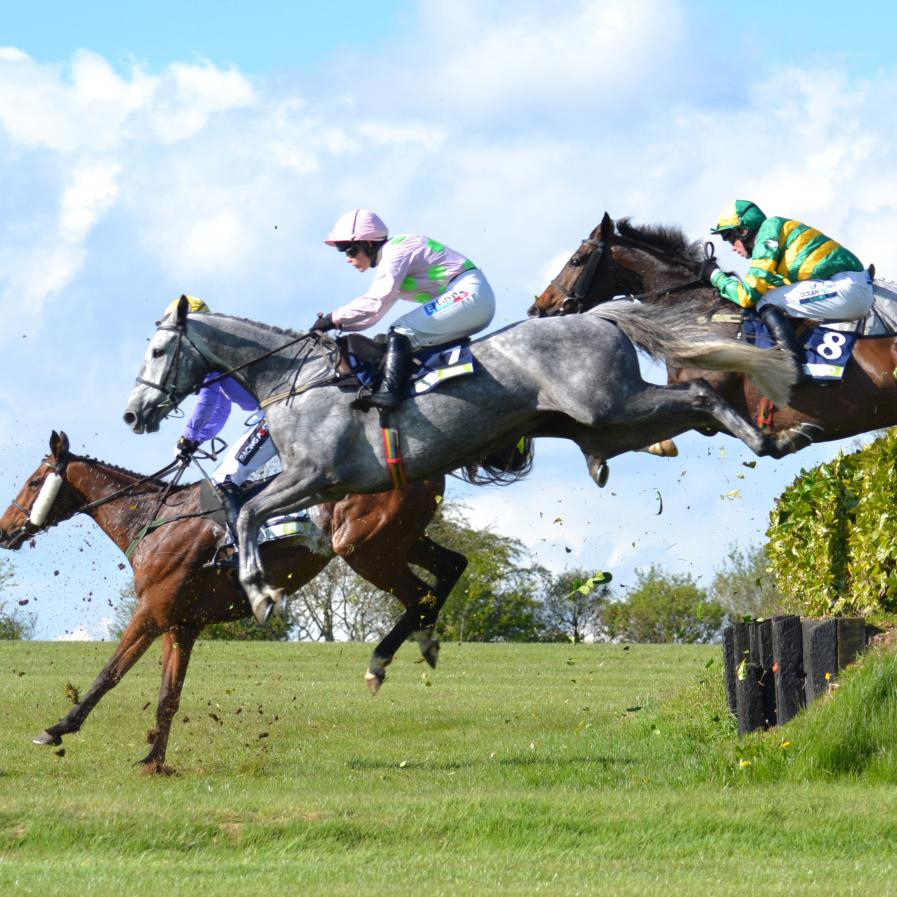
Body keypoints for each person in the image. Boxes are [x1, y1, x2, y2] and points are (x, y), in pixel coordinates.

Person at [309, 208, 496, 410]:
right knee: (392, 336)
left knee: (400, 330)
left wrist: (331, 318)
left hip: (469, 294)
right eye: (344, 252)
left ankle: (389, 393)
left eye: (351, 250)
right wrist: (337, 325)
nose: (348, 258)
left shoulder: (395, 252)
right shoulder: (391, 258)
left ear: (369, 243)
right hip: (470, 298)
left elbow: (375, 300)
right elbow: (374, 315)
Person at [704, 200, 873, 384]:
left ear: (743, 231)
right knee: (771, 297)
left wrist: (715, 276)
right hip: (850, 287)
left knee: (766, 300)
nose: (732, 247)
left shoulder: (768, 231)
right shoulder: (778, 241)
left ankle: (793, 366)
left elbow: (748, 295)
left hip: (848, 288)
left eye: (730, 238)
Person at [167, 297, 276, 548]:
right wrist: (197, 440)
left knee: (224, 479)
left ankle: (248, 549)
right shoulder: (216, 350)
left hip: (273, 415)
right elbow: (222, 408)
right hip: (270, 413)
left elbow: (207, 400)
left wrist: (187, 438)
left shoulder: (207, 354)